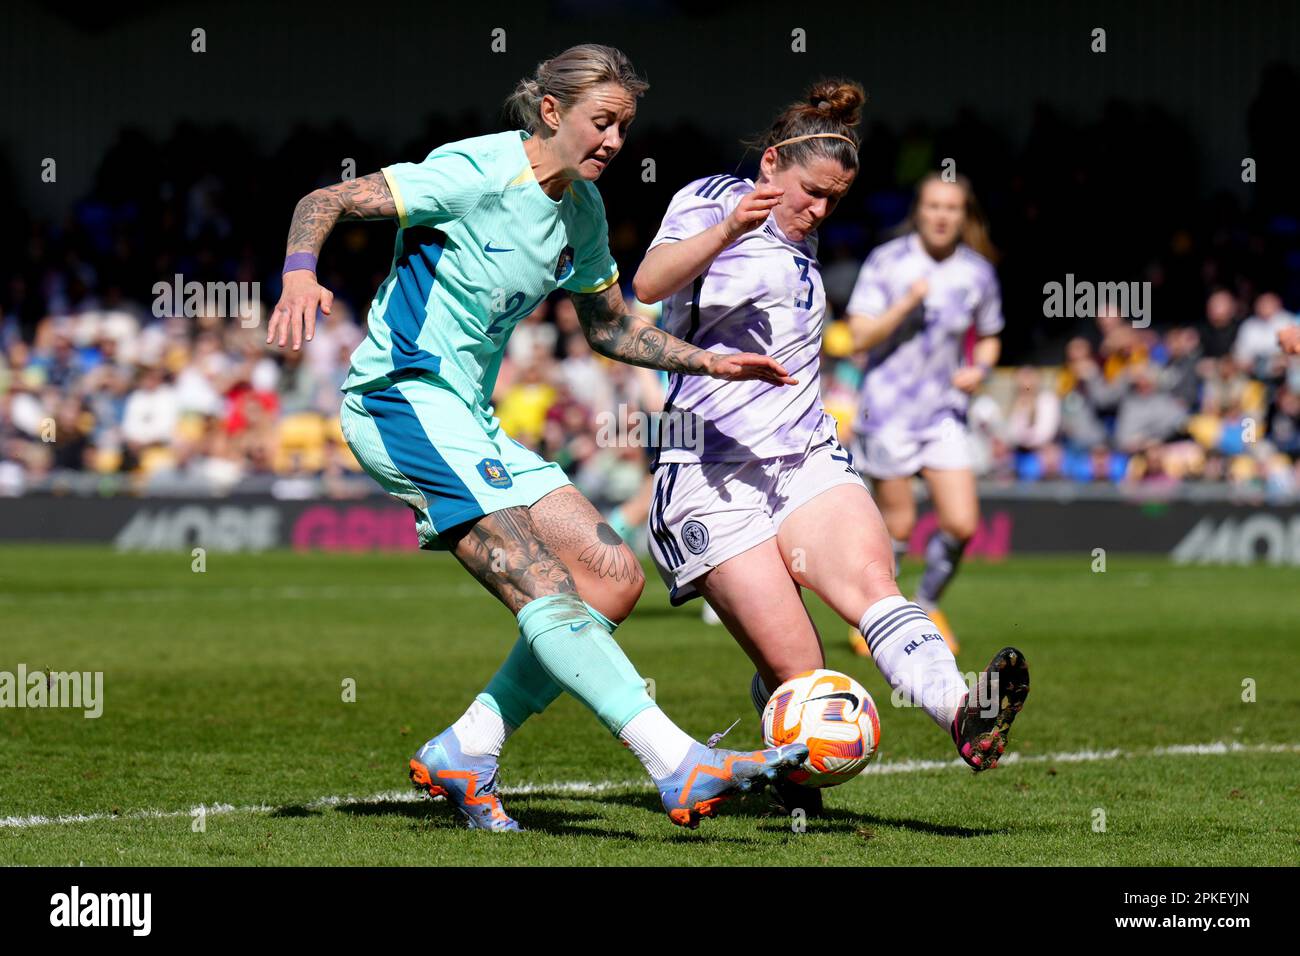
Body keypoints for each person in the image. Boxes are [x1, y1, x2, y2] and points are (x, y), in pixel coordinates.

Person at [266, 44, 806, 832]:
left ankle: (466, 748)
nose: (615, 141)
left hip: (471, 420)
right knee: (541, 582)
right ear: (551, 112)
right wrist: (297, 272)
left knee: (613, 577)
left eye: (625, 126)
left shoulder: (581, 212)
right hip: (399, 401)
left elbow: (611, 327)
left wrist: (710, 361)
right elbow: (325, 199)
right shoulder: (475, 173)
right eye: (602, 121)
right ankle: (678, 764)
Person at [633, 80, 1028, 815]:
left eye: (834, 201)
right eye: (810, 192)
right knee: (802, 670)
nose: (818, 211)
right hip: (710, 476)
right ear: (773, 162)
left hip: (806, 458)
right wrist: (728, 229)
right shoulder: (713, 198)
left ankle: (962, 714)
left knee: (874, 586)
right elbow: (648, 285)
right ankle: (792, 768)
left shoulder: (802, 231)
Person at [844, 172, 1003, 656]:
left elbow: (992, 334)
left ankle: (926, 603)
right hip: (887, 413)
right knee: (899, 527)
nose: (941, 216)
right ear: (919, 211)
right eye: (933, 206)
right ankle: (875, 618)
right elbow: (859, 337)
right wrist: (907, 303)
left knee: (962, 524)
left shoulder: (977, 271)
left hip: (943, 415)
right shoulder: (888, 263)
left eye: (951, 208)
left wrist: (982, 368)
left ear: (963, 215)